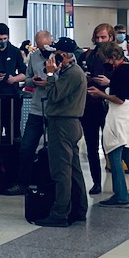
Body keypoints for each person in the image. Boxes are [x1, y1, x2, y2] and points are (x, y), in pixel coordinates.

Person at [42, 37, 88, 225]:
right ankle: (79, 209)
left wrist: (51, 75)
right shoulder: (72, 71)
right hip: (70, 124)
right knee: (74, 169)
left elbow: (54, 96)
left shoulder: (72, 74)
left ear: (63, 55)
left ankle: (60, 213)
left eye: (55, 53)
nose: (52, 56)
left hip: (63, 124)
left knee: (61, 170)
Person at [95, 42, 129, 206]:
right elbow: (127, 89)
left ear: (113, 57)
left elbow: (118, 98)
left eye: (108, 60)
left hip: (119, 116)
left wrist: (100, 94)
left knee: (115, 155)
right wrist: (110, 84)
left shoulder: (119, 72)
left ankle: (121, 194)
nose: (107, 64)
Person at [0, 23, 25, 194]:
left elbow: (24, 73)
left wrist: (13, 79)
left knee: (13, 135)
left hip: (11, 97)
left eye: (5, 39)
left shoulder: (15, 51)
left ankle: (13, 175)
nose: (2, 42)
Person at [14, 30, 54, 188]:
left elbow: (66, 82)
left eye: (45, 46)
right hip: (37, 108)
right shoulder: (34, 56)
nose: (42, 50)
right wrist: (33, 81)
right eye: (39, 47)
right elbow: (27, 78)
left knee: (52, 148)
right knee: (26, 146)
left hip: (54, 109)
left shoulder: (58, 56)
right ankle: (23, 183)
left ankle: (50, 182)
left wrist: (49, 82)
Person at [80, 24, 116, 195]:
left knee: (112, 145)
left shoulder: (116, 57)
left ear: (111, 37)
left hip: (110, 105)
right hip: (90, 106)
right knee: (91, 146)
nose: (100, 41)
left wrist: (109, 83)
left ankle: (118, 182)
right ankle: (96, 182)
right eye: (98, 37)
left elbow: (127, 83)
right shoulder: (88, 55)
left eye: (104, 37)